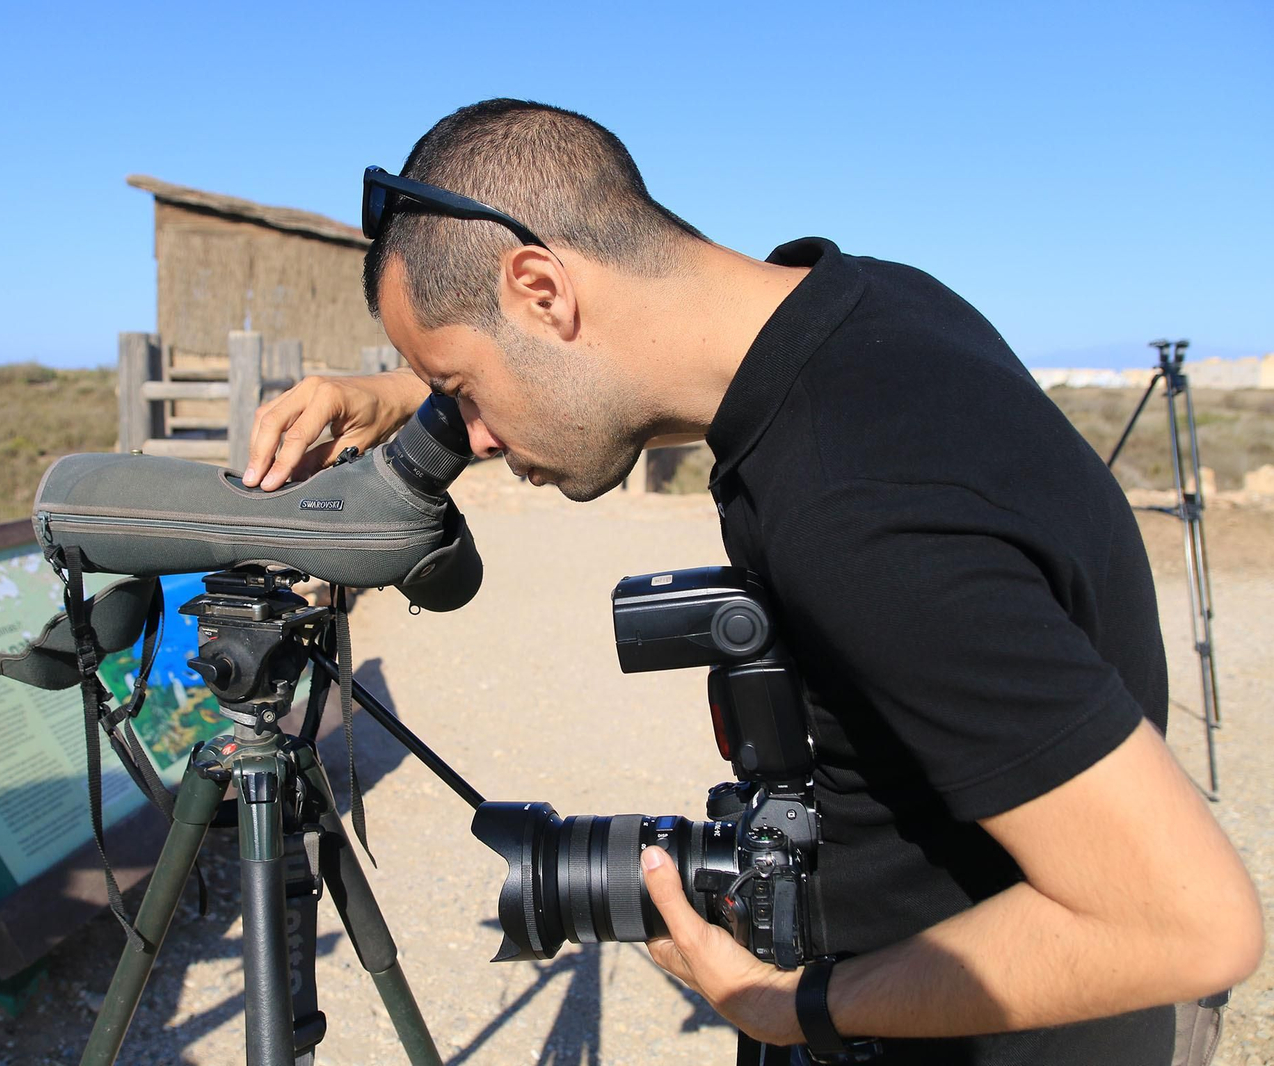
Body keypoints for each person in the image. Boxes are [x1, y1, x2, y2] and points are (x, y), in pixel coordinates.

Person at [242, 99, 1262, 1064]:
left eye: (461, 389)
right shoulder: (864, 307)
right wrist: (406, 389)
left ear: (542, 290)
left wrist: (790, 1006)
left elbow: (1185, 922)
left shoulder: (855, 504)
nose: (474, 434)